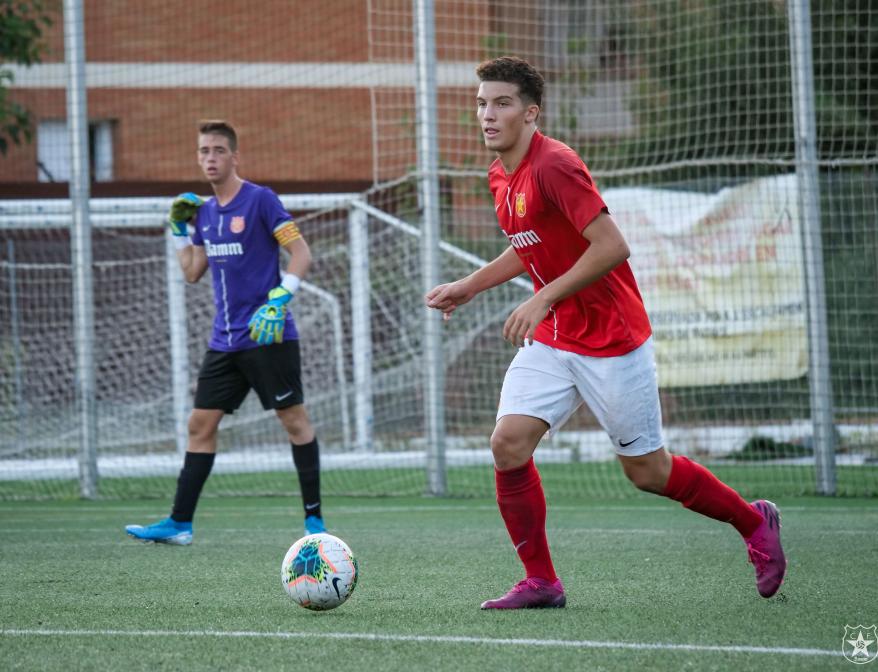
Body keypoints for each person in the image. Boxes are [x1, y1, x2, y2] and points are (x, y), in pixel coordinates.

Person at [425, 57, 786, 609]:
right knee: (507, 444)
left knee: (648, 472)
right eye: (481, 104)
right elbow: (531, 245)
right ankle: (541, 581)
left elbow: (613, 246)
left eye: (501, 103)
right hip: (556, 336)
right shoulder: (500, 174)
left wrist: (543, 296)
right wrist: (470, 285)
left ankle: (753, 521)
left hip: (612, 337)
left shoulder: (555, 164)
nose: (488, 115)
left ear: (530, 113)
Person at [126, 120, 327, 545]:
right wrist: (179, 232)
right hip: (225, 341)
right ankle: (179, 524)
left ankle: (314, 520)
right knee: (200, 425)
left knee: (294, 421)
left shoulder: (260, 200)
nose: (211, 158)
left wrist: (280, 299)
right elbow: (192, 272)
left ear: (235, 156)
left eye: (218, 150)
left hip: (268, 335)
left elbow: (301, 253)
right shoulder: (204, 213)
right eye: (204, 151)